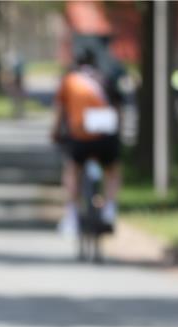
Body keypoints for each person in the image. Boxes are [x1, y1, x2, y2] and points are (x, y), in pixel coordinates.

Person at [52, 46, 123, 235]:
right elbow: (118, 107)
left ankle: (71, 217)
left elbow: (60, 111)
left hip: (80, 135)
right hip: (106, 133)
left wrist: (55, 133)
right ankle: (110, 210)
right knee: (112, 171)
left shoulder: (69, 81)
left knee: (72, 170)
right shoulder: (105, 78)